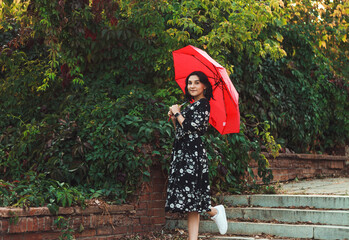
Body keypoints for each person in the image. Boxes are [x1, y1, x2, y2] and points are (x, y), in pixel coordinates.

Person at [165, 71, 228, 239]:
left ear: (204, 86)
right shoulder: (191, 105)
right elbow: (181, 131)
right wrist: (174, 117)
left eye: (196, 82)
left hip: (193, 154)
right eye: (189, 83)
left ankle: (214, 211)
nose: (192, 86)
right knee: (189, 199)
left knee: (192, 194)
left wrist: (178, 113)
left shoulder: (203, 104)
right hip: (183, 152)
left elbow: (191, 128)